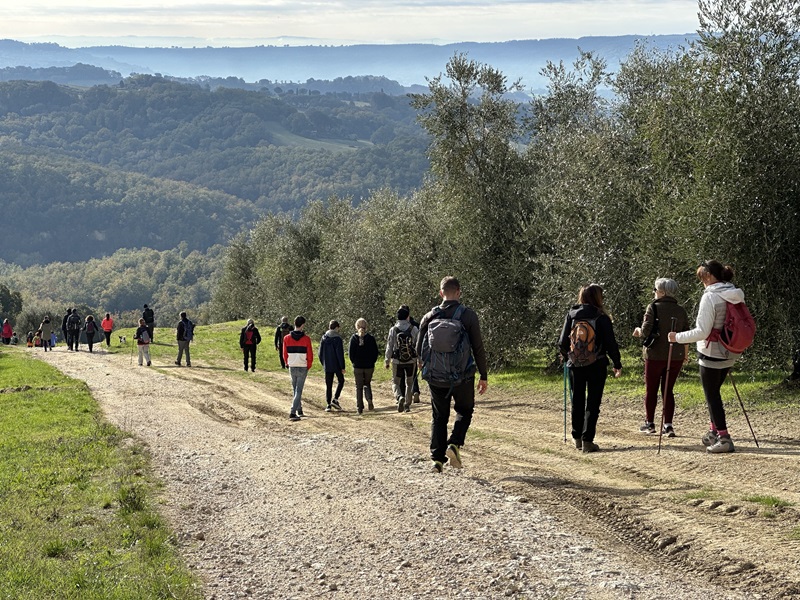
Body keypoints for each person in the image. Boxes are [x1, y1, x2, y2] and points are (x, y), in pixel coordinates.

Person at [668, 261, 746, 454]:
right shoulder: (734, 293)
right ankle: (713, 432)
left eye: (702, 278)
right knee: (714, 392)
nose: (702, 282)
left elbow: (702, 331)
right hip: (731, 351)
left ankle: (724, 437)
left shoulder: (710, 297)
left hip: (711, 353)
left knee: (712, 396)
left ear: (710, 276)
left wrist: (676, 337)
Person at [417, 276, 488, 473]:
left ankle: (437, 461)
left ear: (441, 293)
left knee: (439, 416)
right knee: (465, 410)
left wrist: (426, 368)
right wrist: (483, 375)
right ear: (459, 292)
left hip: (436, 377)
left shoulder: (429, 316)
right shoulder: (468, 316)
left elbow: (418, 348)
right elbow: (478, 347)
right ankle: (454, 444)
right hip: (462, 376)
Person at [559, 284, 622, 453]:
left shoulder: (571, 315)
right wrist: (617, 363)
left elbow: (562, 343)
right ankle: (588, 440)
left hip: (575, 365)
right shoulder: (602, 317)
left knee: (577, 401)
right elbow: (610, 343)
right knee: (593, 403)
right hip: (597, 364)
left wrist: (568, 357)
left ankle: (576, 437)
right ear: (597, 298)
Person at [632, 278, 690, 437]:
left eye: (655, 290)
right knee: (668, 390)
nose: (654, 292)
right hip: (675, 355)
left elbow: (644, 331)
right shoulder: (681, 310)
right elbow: (685, 334)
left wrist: (637, 331)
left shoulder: (653, 307)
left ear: (662, 292)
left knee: (651, 390)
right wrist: (685, 354)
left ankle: (650, 423)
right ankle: (668, 425)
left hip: (655, 355)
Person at [385, 306, 419, 412]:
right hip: (411, 360)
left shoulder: (393, 330)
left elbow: (389, 346)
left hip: (397, 360)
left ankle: (399, 397)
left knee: (396, 382)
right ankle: (407, 405)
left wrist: (387, 360)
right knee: (409, 383)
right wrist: (420, 360)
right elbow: (418, 346)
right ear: (408, 317)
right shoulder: (413, 329)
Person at [283, 316, 313, 421]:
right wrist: (308, 365)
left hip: (292, 365)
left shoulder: (286, 338)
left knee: (295, 389)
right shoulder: (306, 339)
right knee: (298, 390)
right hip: (302, 365)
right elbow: (310, 354)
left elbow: (284, 354)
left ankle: (299, 410)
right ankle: (292, 412)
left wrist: (287, 363)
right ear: (303, 325)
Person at [348, 318, 380, 414]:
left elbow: (351, 354)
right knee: (367, 383)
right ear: (366, 327)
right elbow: (375, 353)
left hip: (358, 366)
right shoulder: (371, 338)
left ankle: (360, 408)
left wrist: (354, 362)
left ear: (356, 327)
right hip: (369, 366)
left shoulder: (353, 339)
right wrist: (372, 362)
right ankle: (369, 399)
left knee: (359, 387)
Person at [319, 320, 346, 411]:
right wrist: (342, 366)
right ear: (336, 327)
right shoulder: (337, 339)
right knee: (341, 381)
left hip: (327, 365)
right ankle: (335, 399)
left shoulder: (324, 338)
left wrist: (323, 363)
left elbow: (320, 353)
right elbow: (340, 354)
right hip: (337, 365)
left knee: (329, 385)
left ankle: (328, 404)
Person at [402, 305, 422, 403]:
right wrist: (420, 359)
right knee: (413, 375)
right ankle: (415, 392)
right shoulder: (415, 325)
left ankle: (403, 396)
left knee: (402, 377)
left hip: (401, 356)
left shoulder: (398, 325)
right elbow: (419, 342)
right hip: (413, 355)